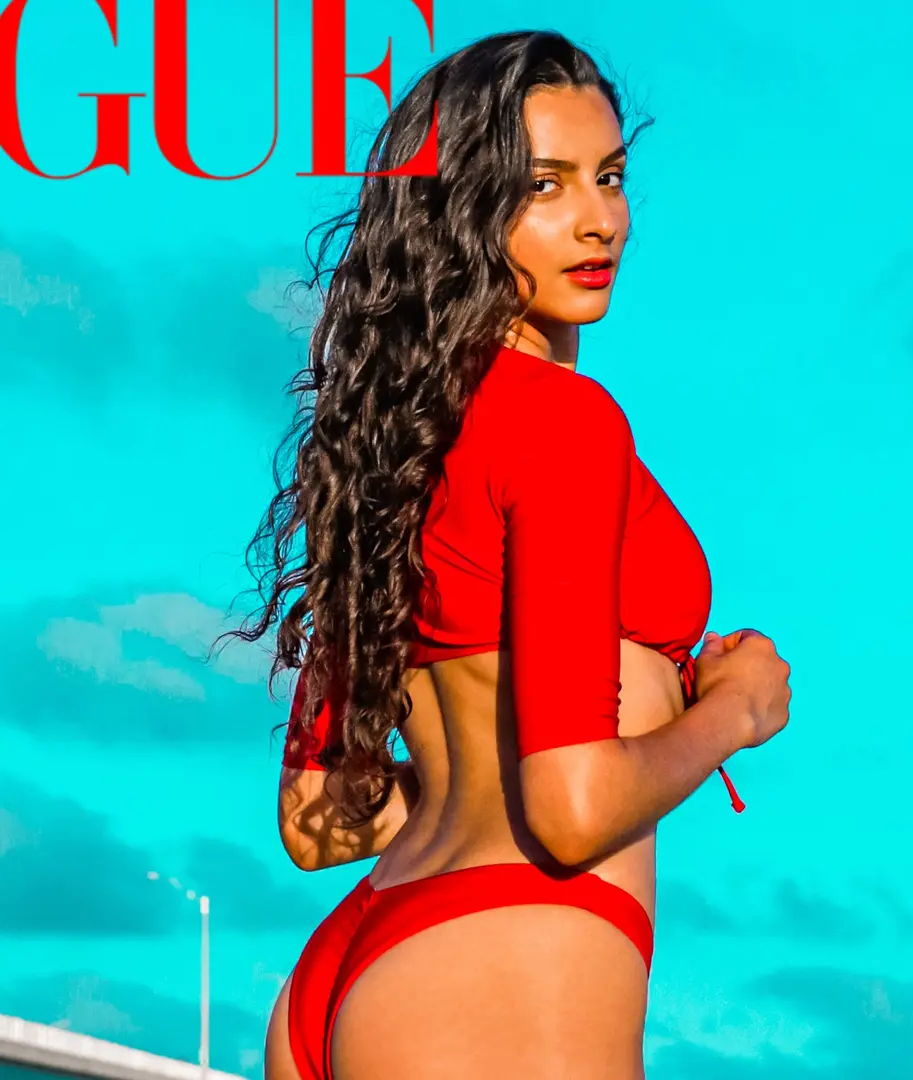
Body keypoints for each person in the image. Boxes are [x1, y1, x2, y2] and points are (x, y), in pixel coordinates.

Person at [239, 29, 792, 1080]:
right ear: (463, 210)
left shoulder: (381, 447)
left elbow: (318, 820)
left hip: (362, 957)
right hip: (512, 952)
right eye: (544, 186)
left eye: (609, 176)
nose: (599, 219)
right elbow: (571, 812)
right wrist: (735, 712)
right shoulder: (565, 423)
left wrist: (484, 777)